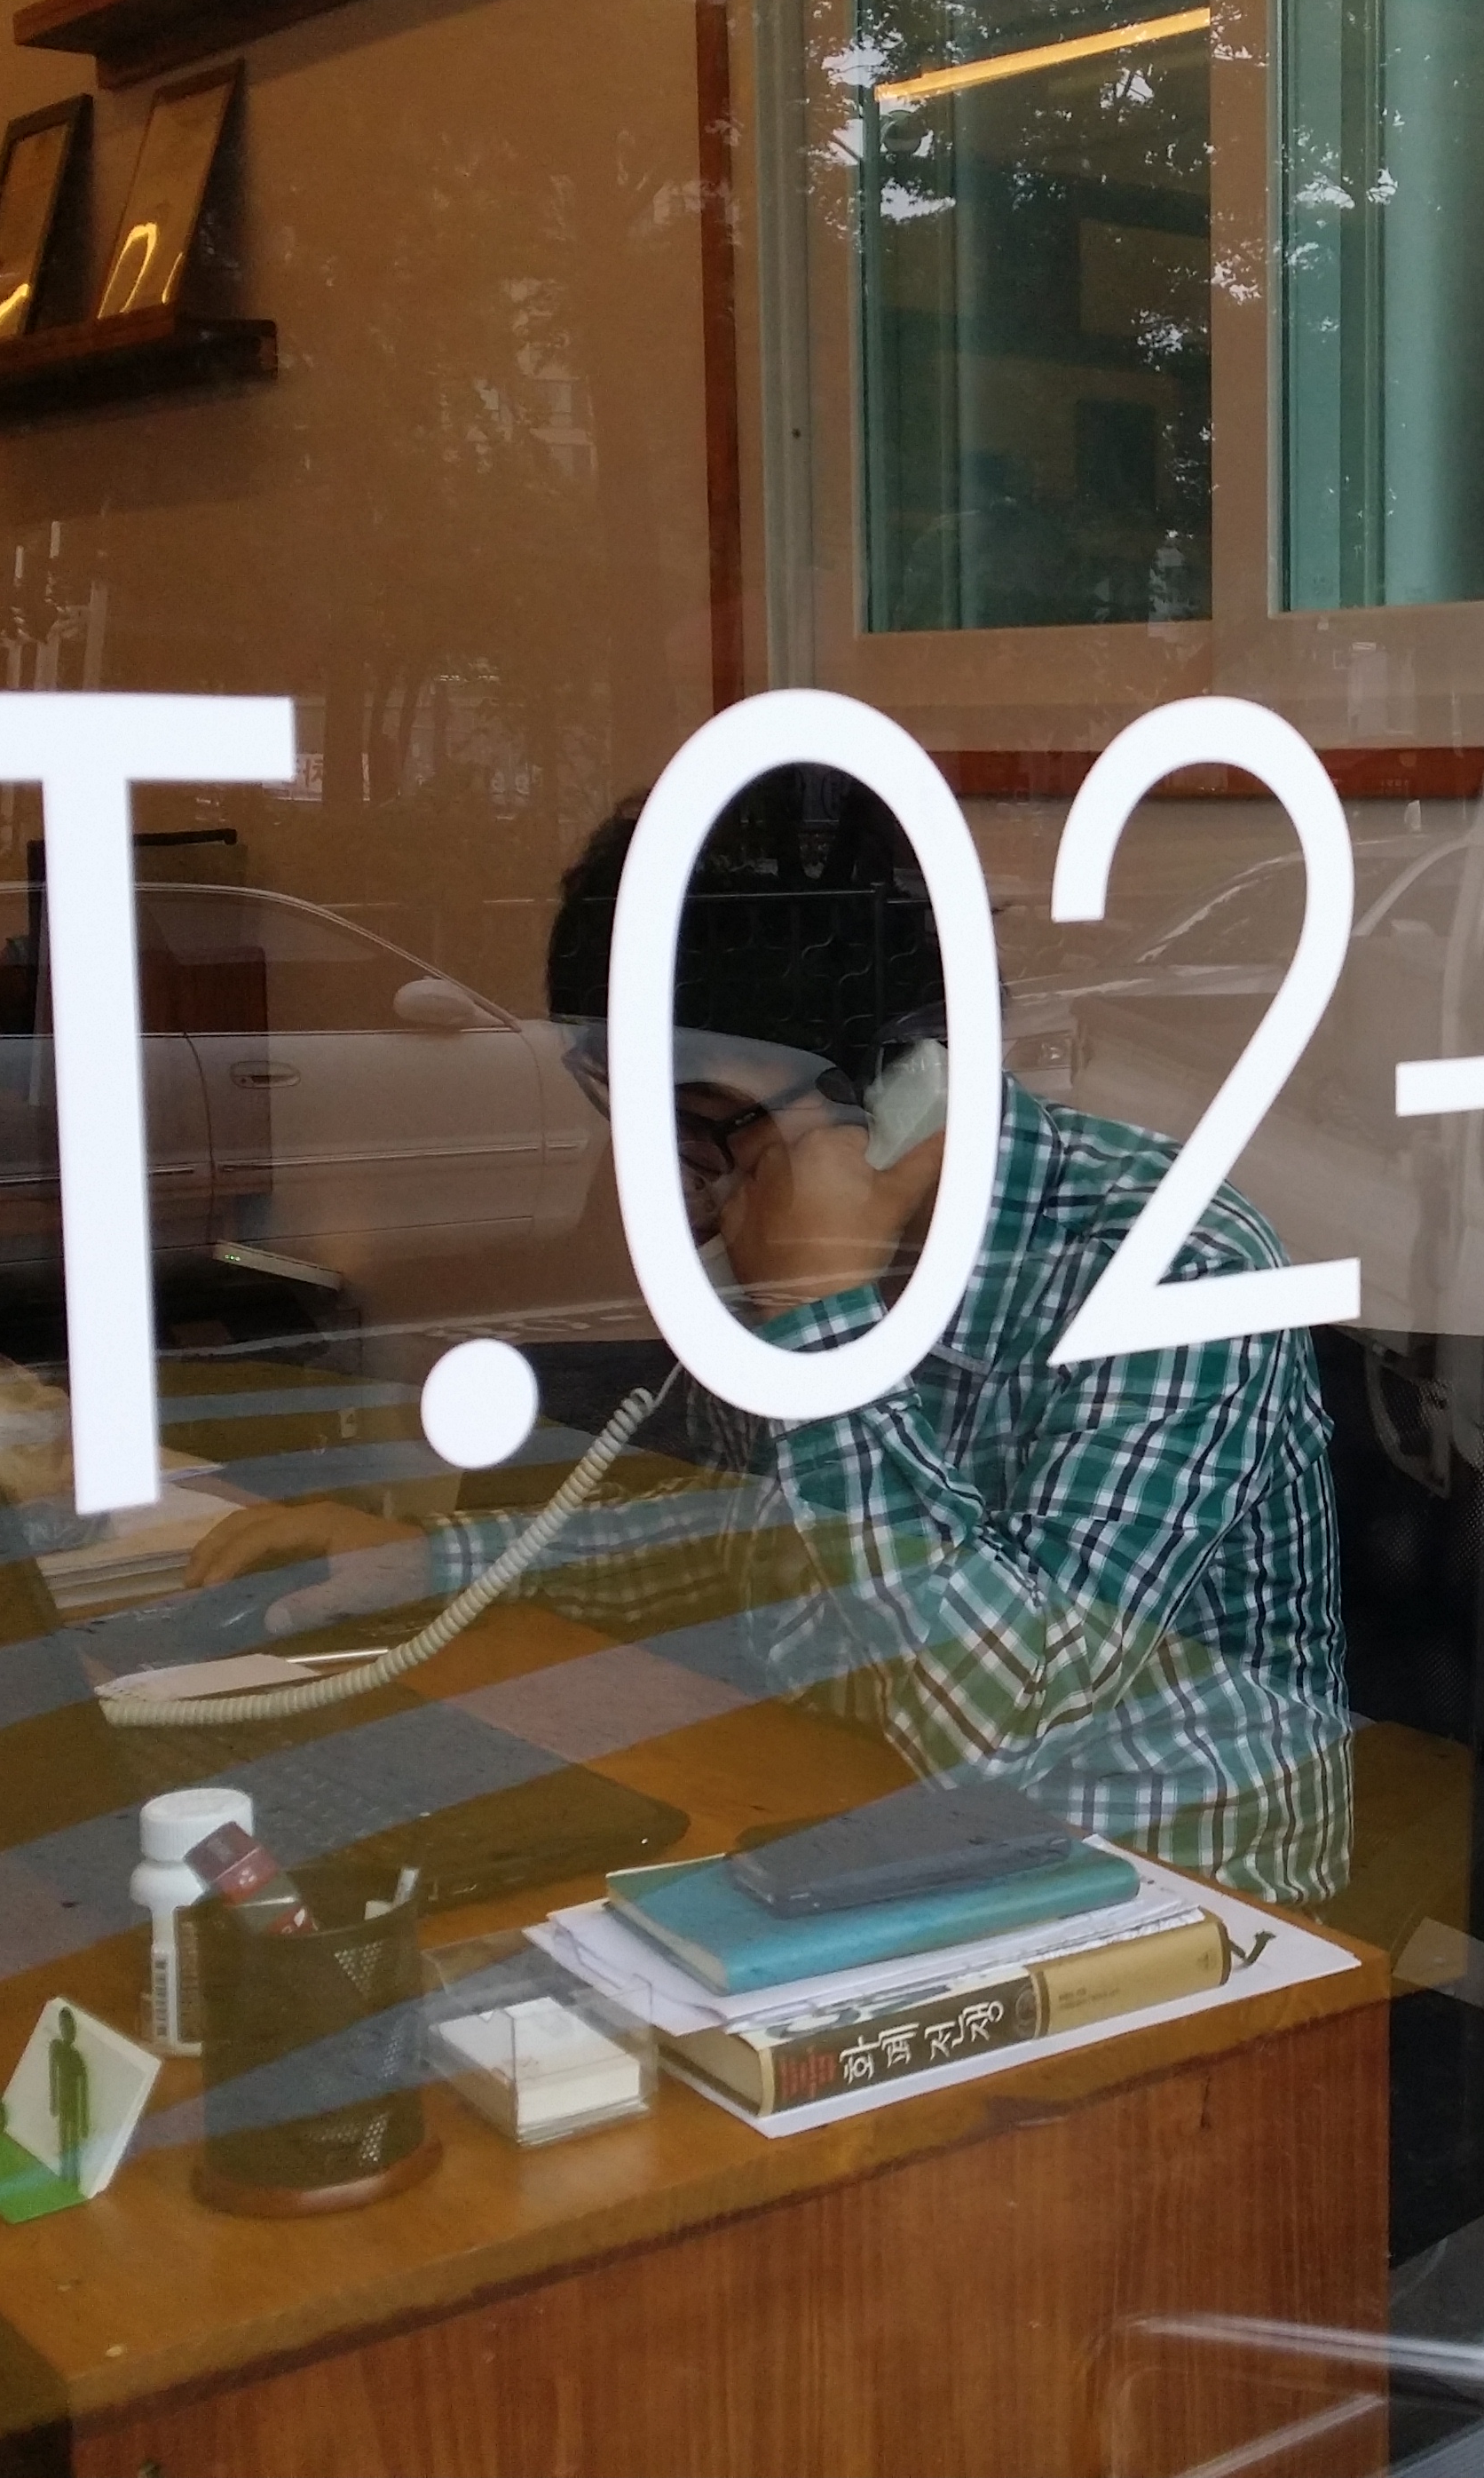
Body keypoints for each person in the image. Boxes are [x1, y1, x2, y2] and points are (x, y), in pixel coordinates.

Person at [188, 770, 1354, 1902]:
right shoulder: (801, 1246)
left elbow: (997, 1723)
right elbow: (752, 1551)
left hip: (1157, 1902)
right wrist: (432, 1562)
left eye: (706, 1124)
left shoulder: (1171, 1269)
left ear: (903, 1091)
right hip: (852, 1821)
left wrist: (819, 1324)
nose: (672, 1183)